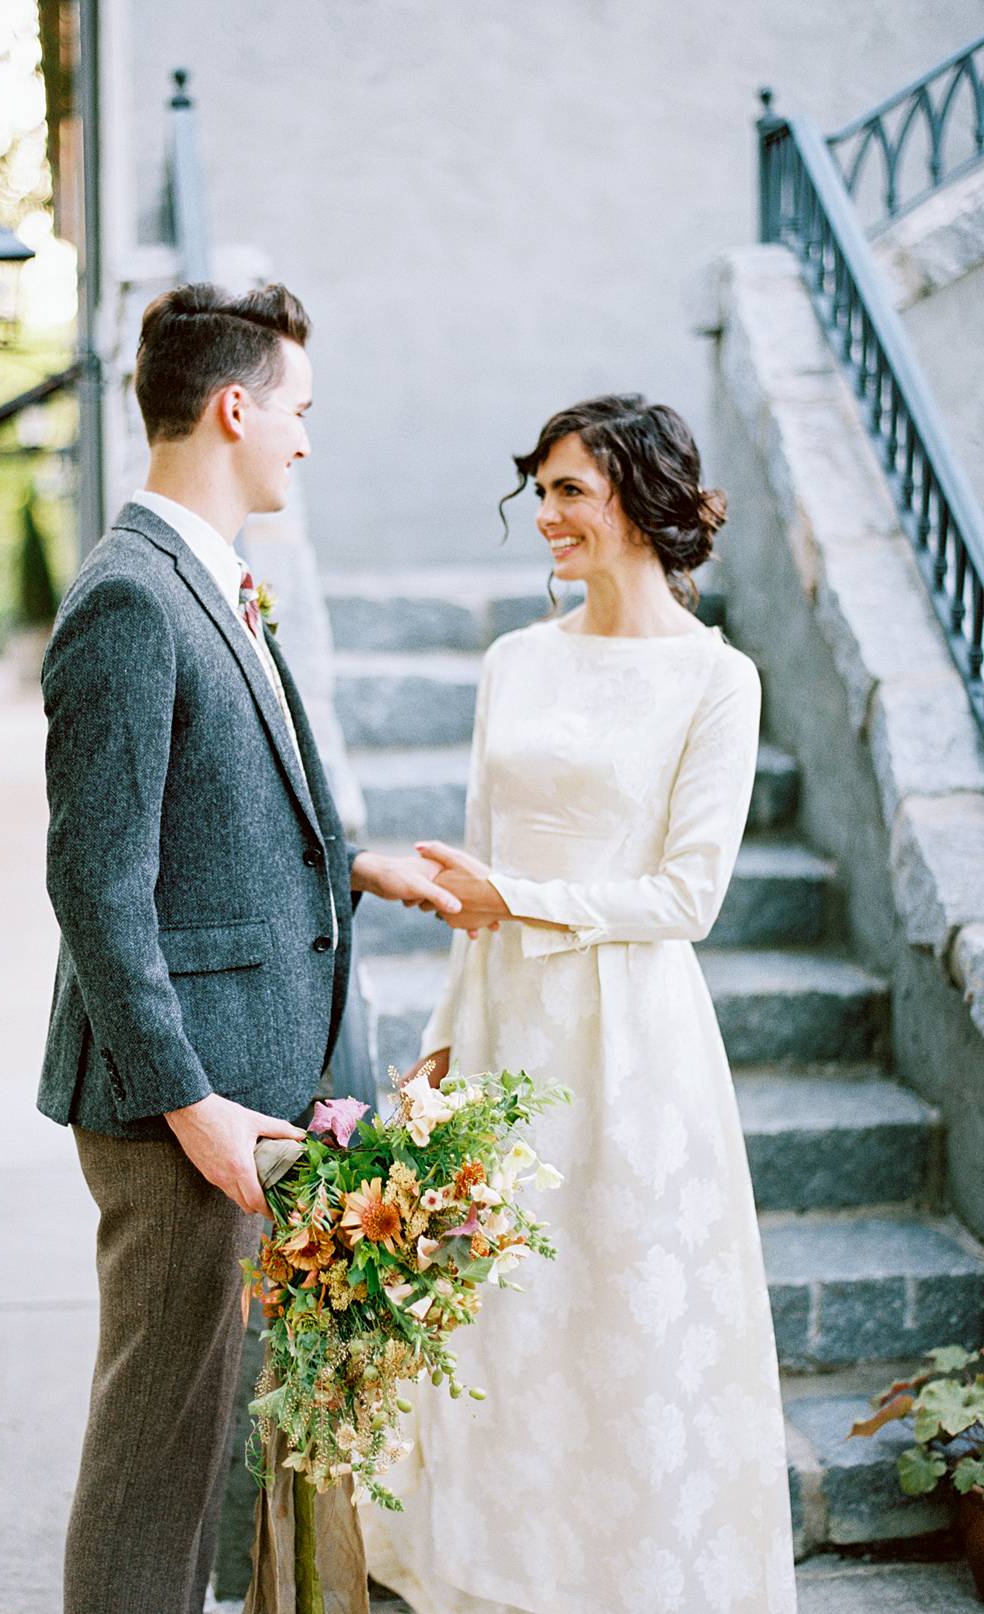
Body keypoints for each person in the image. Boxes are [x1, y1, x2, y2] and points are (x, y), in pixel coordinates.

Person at [37, 282, 459, 1614]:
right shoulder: (131, 600)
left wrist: (358, 862)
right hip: (189, 1108)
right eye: (298, 409)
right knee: (156, 1456)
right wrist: (192, 1106)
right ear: (235, 406)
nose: (307, 440)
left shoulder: (213, 579)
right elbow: (98, 889)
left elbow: (228, 808)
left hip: (264, 1087)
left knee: (227, 1448)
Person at [364, 396, 797, 1614]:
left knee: (624, 1316)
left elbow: (688, 896)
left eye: (571, 491)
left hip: (631, 1041)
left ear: (645, 501)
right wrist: (444, 1043)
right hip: (503, 1019)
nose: (545, 515)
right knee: (503, 1315)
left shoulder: (718, 681)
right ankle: (508, 1577)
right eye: (540, 490)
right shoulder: (516, 659)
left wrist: (522, 900)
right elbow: (476, 877)